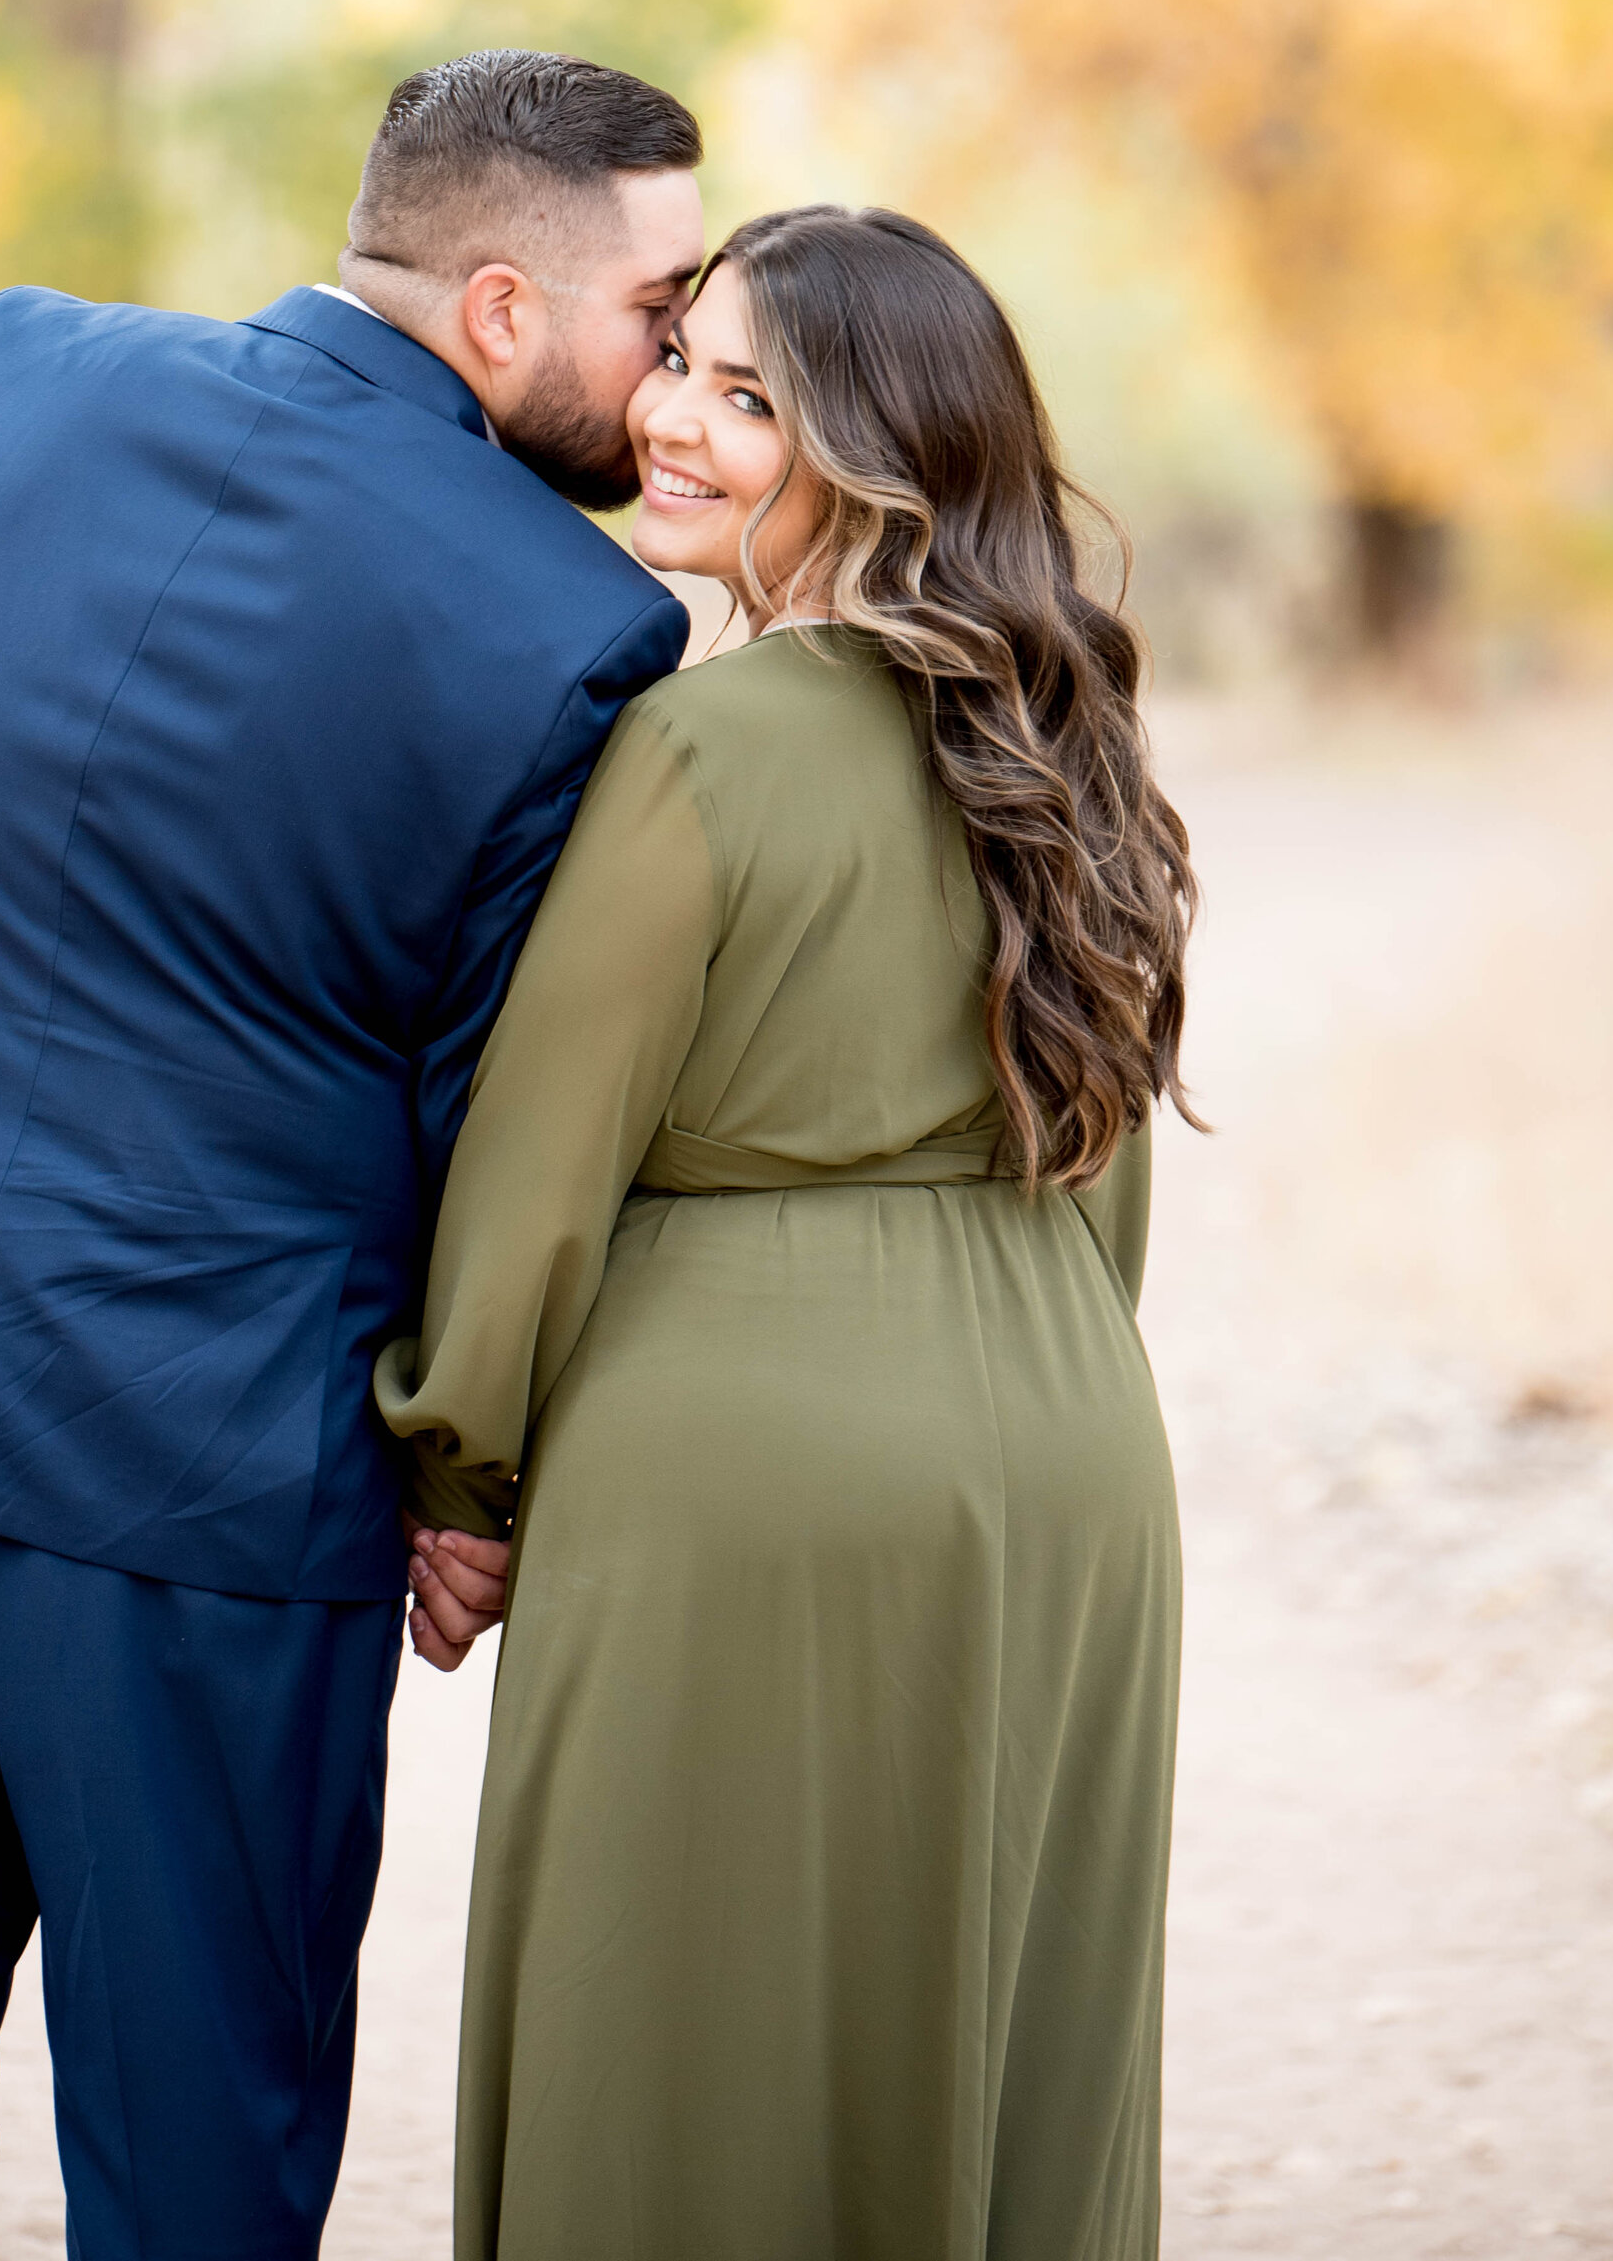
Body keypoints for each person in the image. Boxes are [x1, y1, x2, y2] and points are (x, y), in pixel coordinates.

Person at [0, 50, 706, 2261]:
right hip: (199, 1482)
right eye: (660, 306)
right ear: (502, 310)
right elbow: (483, 1101)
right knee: (195, 2163)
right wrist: (454, 1466)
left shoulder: (5, 367)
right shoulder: (572, 628)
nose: (681, 367)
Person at [383, 204, 1197, 2261]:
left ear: (878, 456)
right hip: (1069, 1456)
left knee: (674, 2065)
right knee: (995, 2027)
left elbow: (542, 1163)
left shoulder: (693, 744)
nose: (668, 420)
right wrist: (1023, 1364)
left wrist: (457, 1464)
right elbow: (1101, 1172)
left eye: (750, 399)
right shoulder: (1065, 738)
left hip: (739, 1478)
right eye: (681, 364)